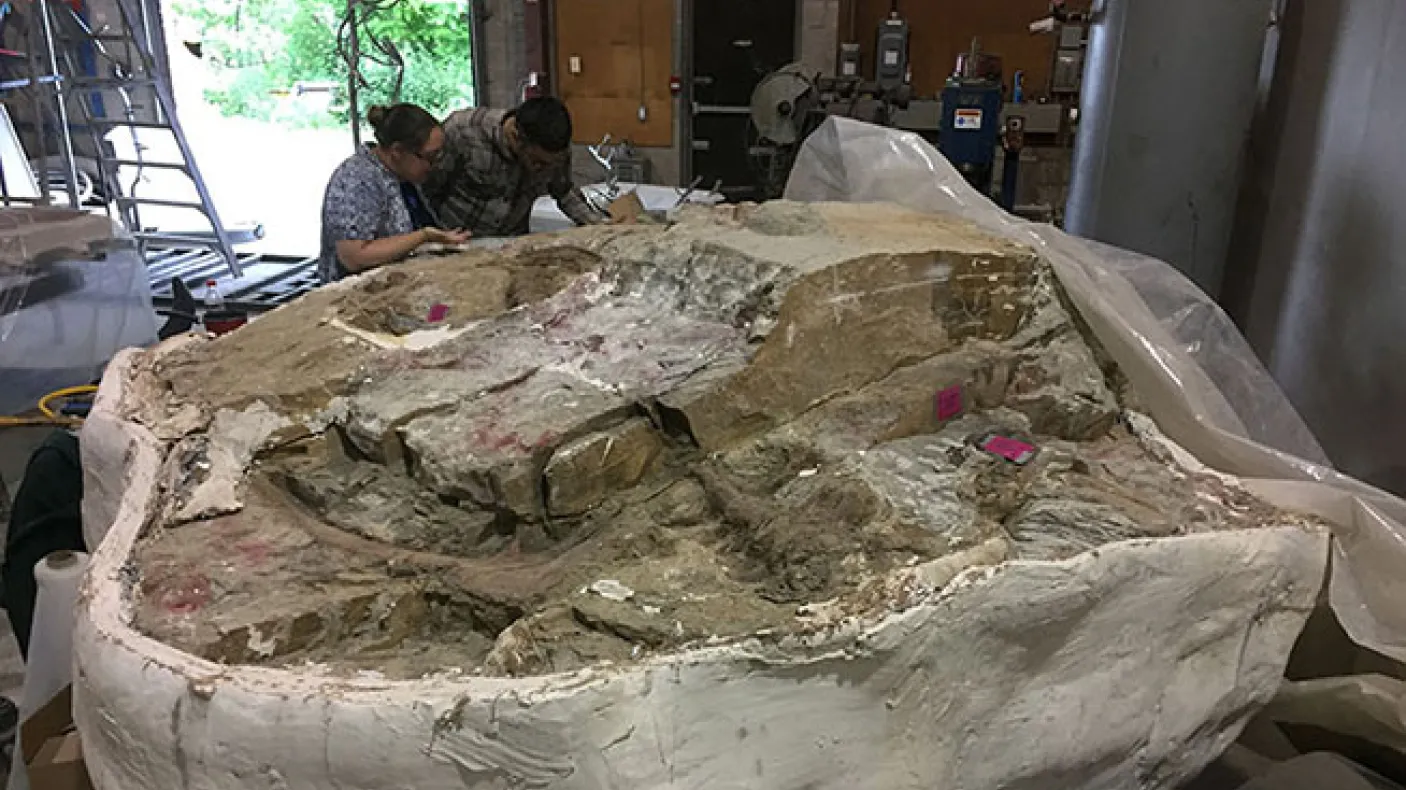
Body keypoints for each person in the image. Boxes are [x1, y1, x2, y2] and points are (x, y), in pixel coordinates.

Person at [318, 103, 470, 283]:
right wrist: (423, 236)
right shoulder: (357, 179)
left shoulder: (404, 176)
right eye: (429, 157)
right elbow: (354, 256)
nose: (434, 165)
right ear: (397, 151)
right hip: (362, 294)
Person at [424, 97, 605, 238]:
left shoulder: (556, 150)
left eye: (549, 164)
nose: (540, 169)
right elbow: (427, 192)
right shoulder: (464, 132)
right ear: (516, 137)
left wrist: (600, 226)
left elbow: (565, 192)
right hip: (459, 240)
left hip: (511, 243)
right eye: (537, 162)